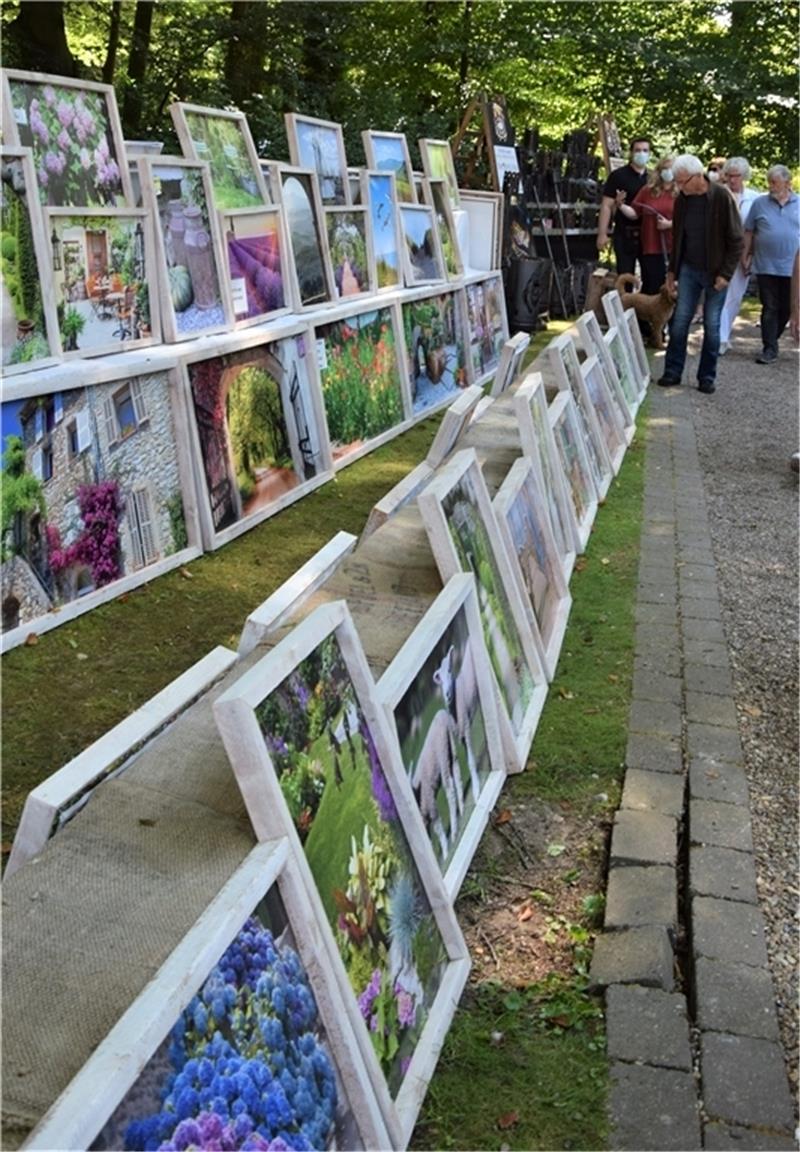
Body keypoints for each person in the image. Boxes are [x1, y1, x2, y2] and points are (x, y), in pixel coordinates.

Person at [657, 154, 744, 394]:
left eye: (681, 181)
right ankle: (672, 371)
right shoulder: (682, 200)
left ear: (697, 178)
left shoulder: (721, 196)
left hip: (716, 271)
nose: (678, 186)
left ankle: (707, 376)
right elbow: (678, 239)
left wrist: (726, 274)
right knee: (680, 321)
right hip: (688, 268)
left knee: (712, 324)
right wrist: (672, 271)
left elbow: (736, 241)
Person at [741, 164, 800, 364]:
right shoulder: (759, 203)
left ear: (787, 183)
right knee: (769, 306)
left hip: (792, 267)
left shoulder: (799, 203)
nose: (771, 186)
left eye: (775, 182)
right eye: (769, 182)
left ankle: (772, 339)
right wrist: (746, 254)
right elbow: (749, 230)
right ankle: (769, 348)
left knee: (786, 307)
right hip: (765, 264)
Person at [718, 157, 761, 353]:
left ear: (744, 176)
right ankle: (721, 338)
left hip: (743, 252)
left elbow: (757, 228)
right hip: (721, 252)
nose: (732, 179)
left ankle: (725, 333)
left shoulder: (755, 198)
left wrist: (750, 253)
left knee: (736, 296)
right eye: (729, 175)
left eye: (736, 176)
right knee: (720, 293)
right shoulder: (718, 195)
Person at [618, 153, 677, 295]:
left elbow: (690, 219)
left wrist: (669, 224)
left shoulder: (682, 193)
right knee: (652, 285)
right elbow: (634, 212)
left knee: (672, 287)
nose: (668, 172)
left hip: (673, 247)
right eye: (665, 168)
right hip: (651, 246)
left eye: (671, 169)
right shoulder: (648, 191)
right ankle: (647, 316)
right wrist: (620, 205)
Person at [596, 136, 650, 278]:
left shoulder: (653, 178)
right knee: (625, 278)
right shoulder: (618, 176)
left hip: (648, 235)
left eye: (645, 150)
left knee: (652, 280)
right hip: (624, 234)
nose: (641, 154)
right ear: (631, 153)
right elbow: (606, 205)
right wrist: (602, 233)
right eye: (638, 150)